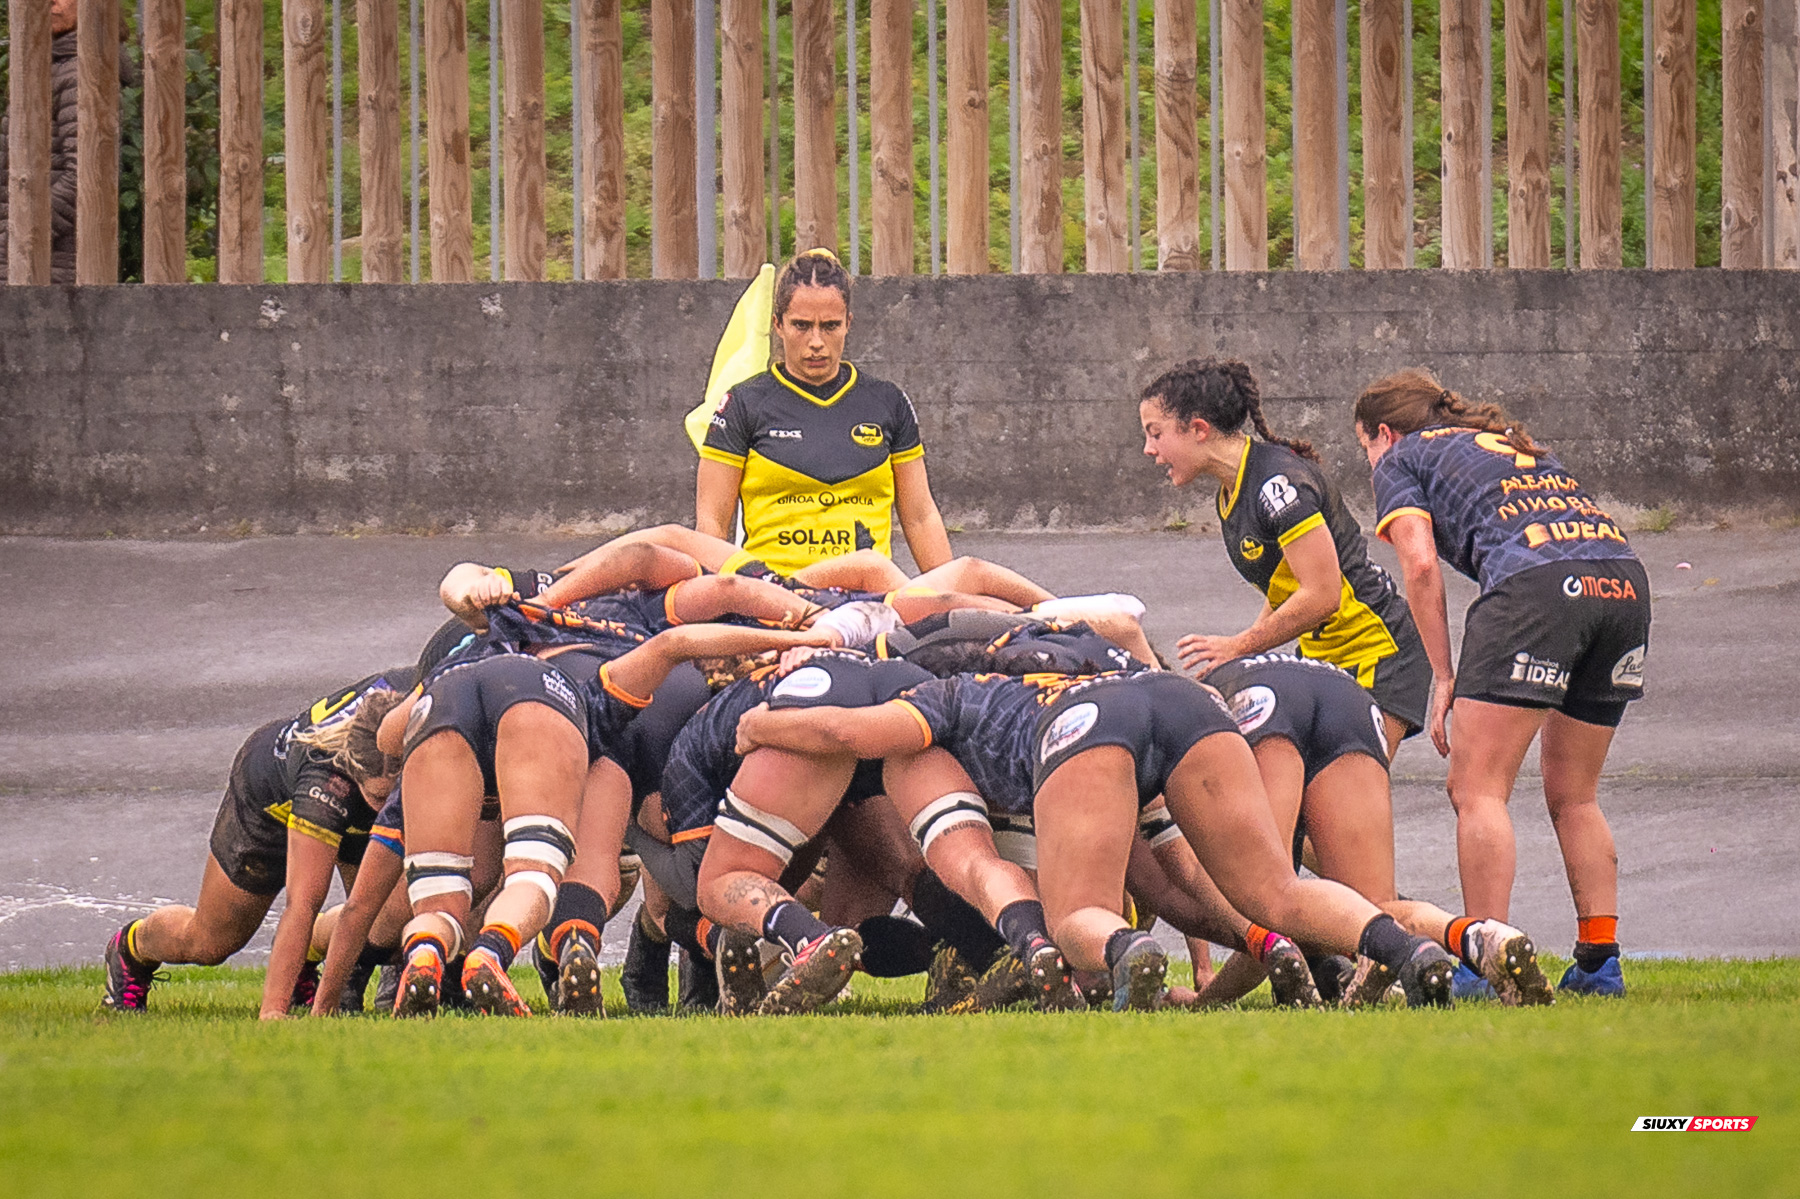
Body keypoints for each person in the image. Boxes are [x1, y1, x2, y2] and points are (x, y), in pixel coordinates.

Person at [1354, 367, 1650, 997]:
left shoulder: (1402, 457)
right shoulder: (1509, 443)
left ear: (1384, 432)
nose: (1369, 463)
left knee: (1477, 789)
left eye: (1365, 448)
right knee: (1576, 795)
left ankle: (1483, 964)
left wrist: (1442, 675)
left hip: (1534, 590)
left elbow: (1421, 565)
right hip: (1622, 581)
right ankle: (1600, 964)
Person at [1201, 651, 1555, 1006]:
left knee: (1271, 896)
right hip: (1348, 696)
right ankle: (1480, 936)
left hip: (1268, 701)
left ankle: (1386, 953)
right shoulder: (1196, 691)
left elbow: (1268, 928)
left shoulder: (1184, 723)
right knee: (1375, 907)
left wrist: (1203, 1001)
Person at [1139, 358, 1431, 753]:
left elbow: (1322, 595)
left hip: (1379, 653)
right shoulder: (1234, 491)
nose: (1149, 449)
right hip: (1325, 657)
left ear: (1198, 429)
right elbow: (1287, 589)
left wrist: (1240, 646)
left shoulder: (1279, 486)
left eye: (1156, 434)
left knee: (1347, 799)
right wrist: (1236, 651)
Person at [101, 668, 413, 1017]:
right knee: (212, 941)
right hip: (272, 806)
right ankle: (132, 948)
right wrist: (273, 1014)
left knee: (385, 922)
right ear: (356, 773)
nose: (390, 808)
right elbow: (302, 905)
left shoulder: (424, 699)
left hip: (350, 801)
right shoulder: (325, 778)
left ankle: (308, 959)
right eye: (380, 797)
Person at [696, 249, 954, 577]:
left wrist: (948, 598)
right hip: (778, 596)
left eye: (830, 326)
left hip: (867, 595)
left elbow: (920, 517)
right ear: (778, 324)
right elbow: (711, 524)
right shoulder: (742, 404)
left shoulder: (888, 402)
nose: (816, 341)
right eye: (801, 326)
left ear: (848, 322)